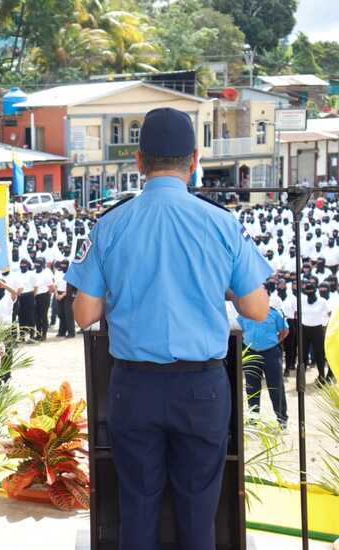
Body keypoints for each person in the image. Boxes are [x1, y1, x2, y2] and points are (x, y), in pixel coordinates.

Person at [67, 108, 272, 550]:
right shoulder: (222, 223)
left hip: (133, 388)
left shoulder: (110, 225)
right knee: (199, 512)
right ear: (194, 160)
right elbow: (257, 308)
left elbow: (83, 315)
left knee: (137, 508)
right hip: (201, 389)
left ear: (139, 162)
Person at [237, 296, 289, 428]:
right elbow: (240, 330)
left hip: (270, 352)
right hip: (251, 352)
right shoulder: (244, 313)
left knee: (276, 386)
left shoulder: (274, 313)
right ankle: (253, 418)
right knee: (251, 387)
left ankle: (282, 418)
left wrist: (274, 342)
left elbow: (284, 330)